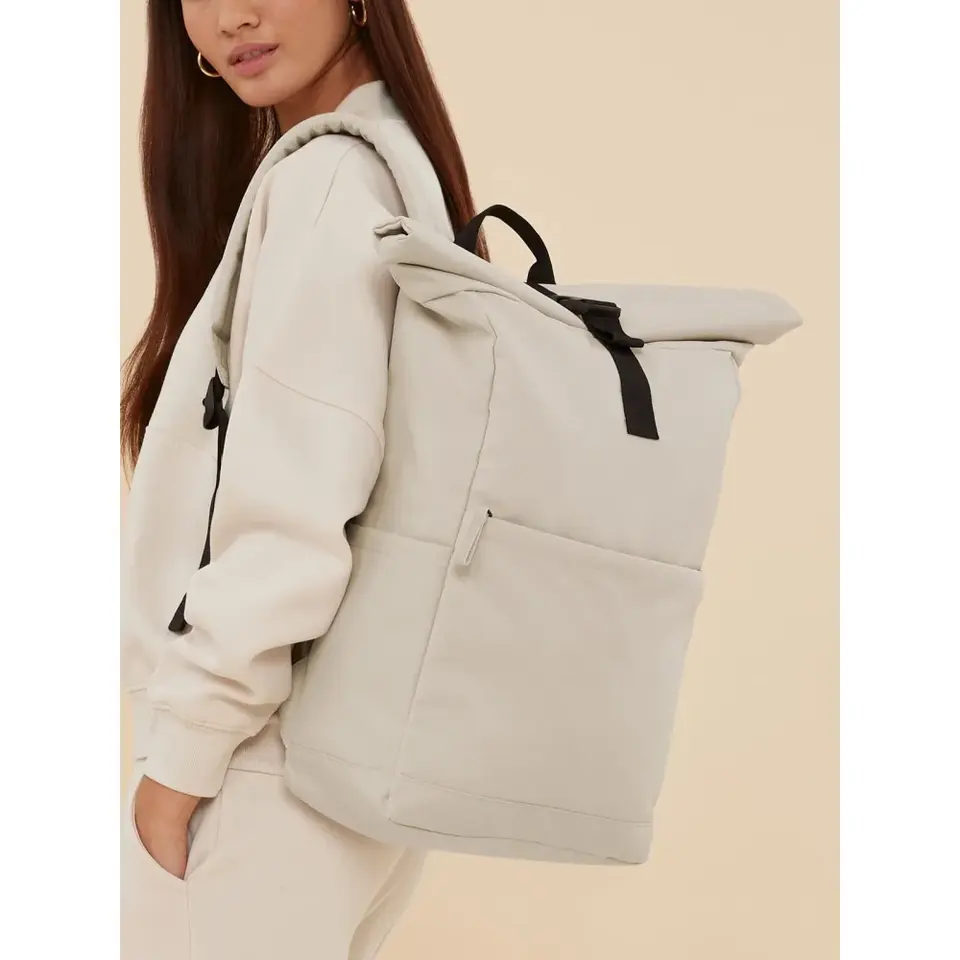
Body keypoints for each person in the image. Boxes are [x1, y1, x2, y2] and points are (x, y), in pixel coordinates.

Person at [119, 2, 484, 957]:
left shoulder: (327, 180)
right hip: (354, 768)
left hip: (257, 770)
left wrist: (181, 764)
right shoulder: (399, 163)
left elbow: (293, 511)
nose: (233, 16)